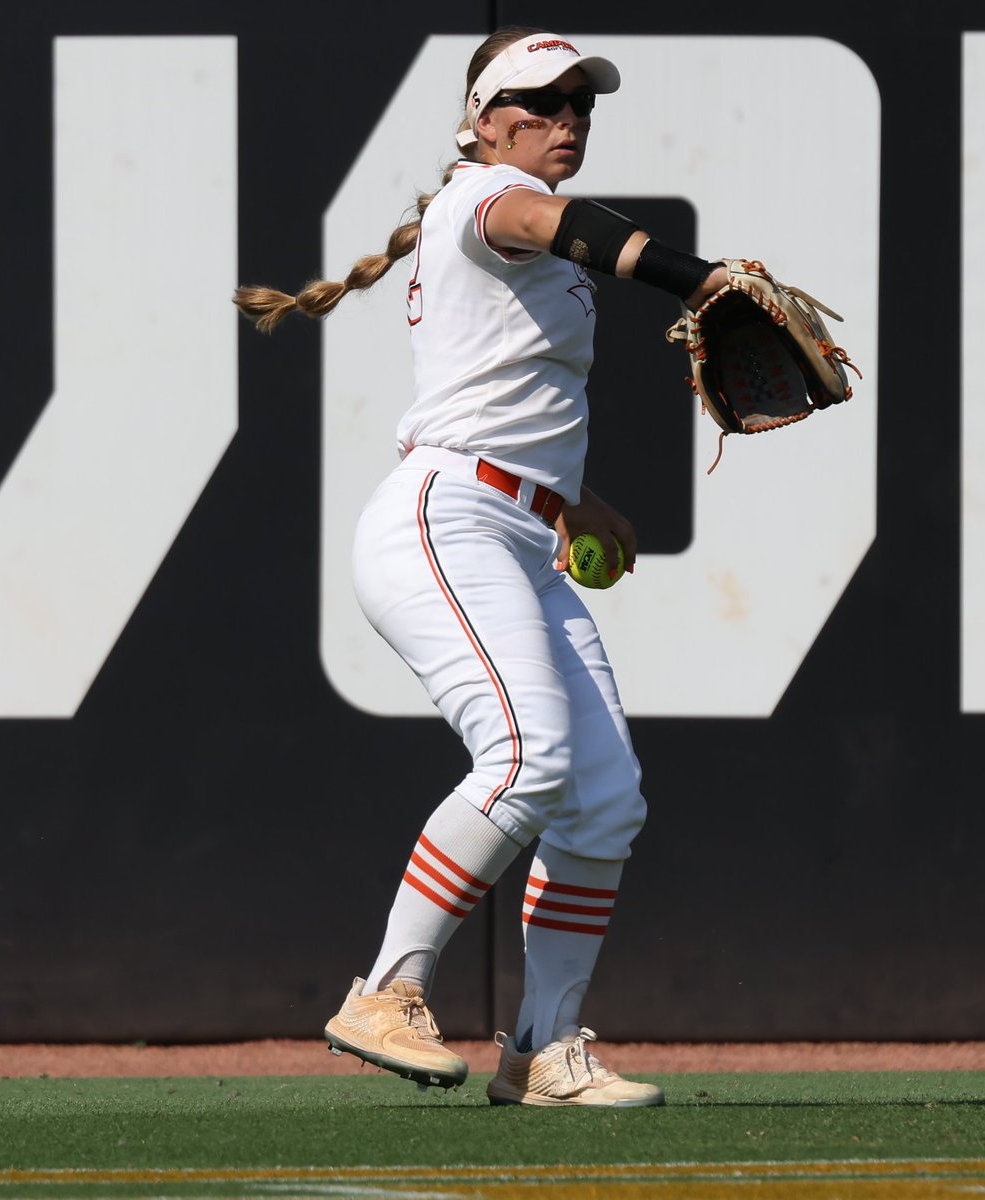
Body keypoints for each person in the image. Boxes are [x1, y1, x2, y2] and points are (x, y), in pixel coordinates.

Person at [236, 27, 732, 1108]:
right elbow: (568, 228)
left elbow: (506, 393)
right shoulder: (483, 198)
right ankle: (385, 988)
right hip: (443, 521)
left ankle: (543, 1052)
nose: (567, 120)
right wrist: (707, 280)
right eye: (542, 102)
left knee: (603, 799)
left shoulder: (519, 235)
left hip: (518, 525)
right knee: (527, 754)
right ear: (483, 120)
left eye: (580, 105)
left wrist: (574, 498)